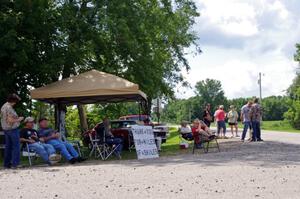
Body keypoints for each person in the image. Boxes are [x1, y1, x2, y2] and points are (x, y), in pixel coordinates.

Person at [1, 94, 24, 169]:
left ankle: (6, 164)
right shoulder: (9, 108)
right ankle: (15, 164)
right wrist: (19, 119)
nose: (16, 103)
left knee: (8, 147)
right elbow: (10, 120)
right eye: (16, 101)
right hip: (12, 129)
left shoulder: (4, 106)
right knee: (16, 147)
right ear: (14, 101)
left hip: (6, 129)